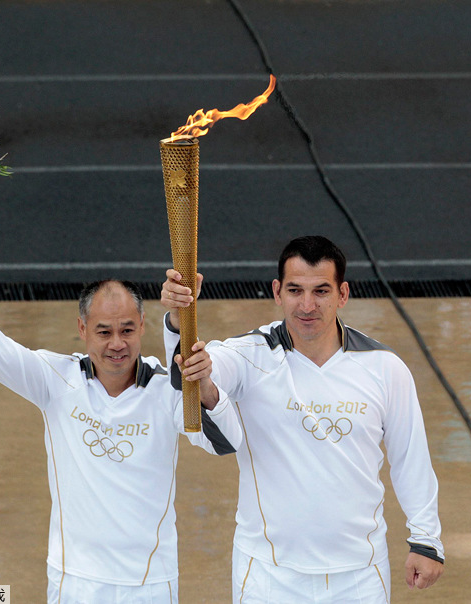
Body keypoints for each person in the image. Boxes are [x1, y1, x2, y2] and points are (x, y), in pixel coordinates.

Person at [0, 242, 242, 604]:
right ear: (82, 328)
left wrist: (201, 373)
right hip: (75, 583)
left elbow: (222, 442)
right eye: (104, 332)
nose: (117, 344)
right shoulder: (56, 379)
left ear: (142, 327)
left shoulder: (166, 389)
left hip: (150, 585)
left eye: (127, 330)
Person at [161, 235, 444, 603]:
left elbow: (410, 457)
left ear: (342, 294)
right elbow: (200, 377)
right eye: (295, 290)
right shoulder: (249, 356)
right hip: (268, 574)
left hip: (359, 575)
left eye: (321, 291)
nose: (307, 305)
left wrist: (426, 539)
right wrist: (178, 321)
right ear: (277, 292)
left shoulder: (385, 368)